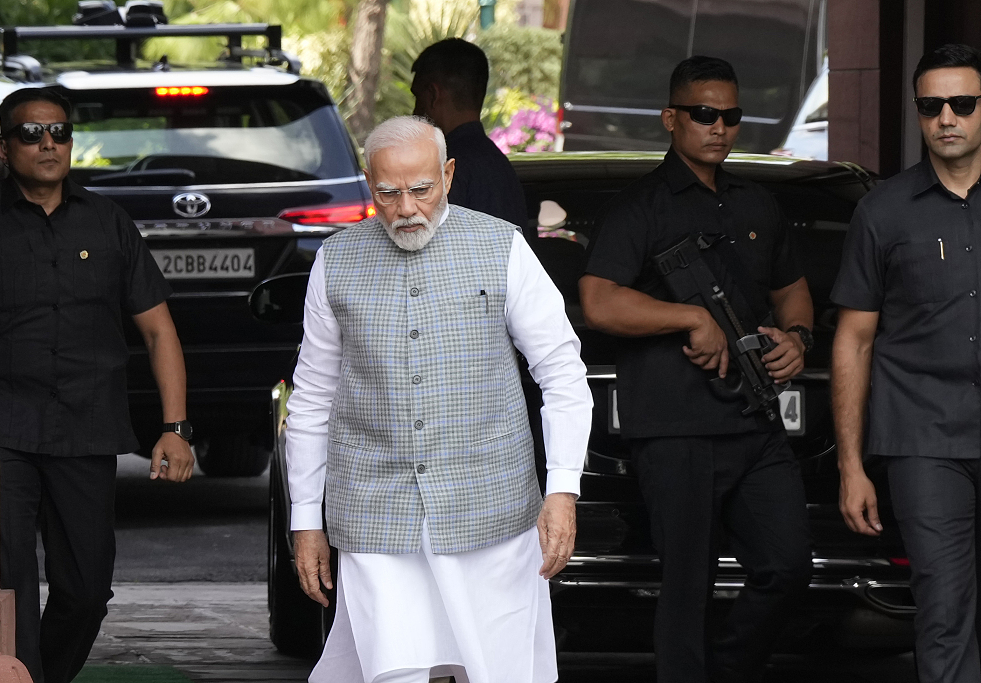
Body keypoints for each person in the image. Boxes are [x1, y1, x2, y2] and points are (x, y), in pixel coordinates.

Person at [285, 115, 591, 683]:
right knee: (391, 672)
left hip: (491, 514)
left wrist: (563, 490)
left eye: (421, 189)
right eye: (389, 193)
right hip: (375, 515)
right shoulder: (336, 260)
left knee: (498, 671)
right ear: (368, 184)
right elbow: (312, 398)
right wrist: (306, 521)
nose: (406, 208)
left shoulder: (503, 247)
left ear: (448, 175)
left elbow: (562, 373)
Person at [579, 56, 813, 683]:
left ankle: (725, 670)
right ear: (671, 118)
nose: (719, 127)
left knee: (788, 565)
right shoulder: (641, 208)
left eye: (731, 116)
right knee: (687, 590)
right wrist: (687, 318)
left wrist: (798, 338)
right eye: (704, 114)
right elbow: (599, 300)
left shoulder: (757, 203)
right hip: (677, 430)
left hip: (755, 425)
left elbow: (794, 291)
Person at [0, 88, 194, 683]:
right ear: (6, 149)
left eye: (59, 132)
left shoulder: (108, 223)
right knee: (8, 588)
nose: (49, 144)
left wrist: (174, 429)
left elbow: (159, 332)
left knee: (86, 590)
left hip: (86, 430)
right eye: (33, 134)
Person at [832, 43, 981, 683]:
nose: (947, 117)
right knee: (944, 611)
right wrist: (850, 466)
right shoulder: (883, 211)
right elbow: (853, 341)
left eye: (963, 103)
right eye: (931, 105)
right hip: (925, 441)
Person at [411, 38, 529, 231]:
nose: (414, 111)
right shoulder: (501, 167)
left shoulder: (446, 171)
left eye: (417, 97)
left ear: (433, 94)